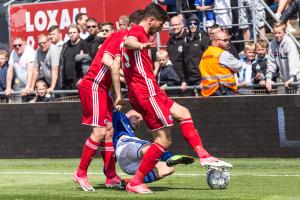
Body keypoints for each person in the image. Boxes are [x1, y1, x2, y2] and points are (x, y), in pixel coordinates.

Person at [122, 3, 232, 194]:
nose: (160, 29)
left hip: (149, 90)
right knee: (163, 140)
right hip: (146, 92)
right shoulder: (139, 32)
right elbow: (129, 41)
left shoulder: (138, 32)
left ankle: (203, 155)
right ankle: (136, 182)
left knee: (183, 113)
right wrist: (140, 44)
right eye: (160, 24)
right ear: (150, 20)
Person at [73, 9, 144, 192]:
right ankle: (80, 173)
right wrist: (119, 94)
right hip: (93, 86)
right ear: (133, 27)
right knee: (99, 131)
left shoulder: (125, 41)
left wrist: (122, 81)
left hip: (102, 89)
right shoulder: (120, 36)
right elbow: (108, 62)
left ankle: (111, 176)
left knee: (109, 131)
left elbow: (114, 69)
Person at [113, 110, 195, 184]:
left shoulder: (130, 132)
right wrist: (118, 98)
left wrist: (110, 173)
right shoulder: (119, 116)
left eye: (140, 121)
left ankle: (132, 182)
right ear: (127, 114)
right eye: (137, 117)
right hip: (125, 144)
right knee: (153, 146)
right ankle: (169, 157)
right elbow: (111, 106)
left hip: (128, 165)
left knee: (168, 168)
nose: (138, 122)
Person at [200, 31, 243, 96]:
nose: (228, 42)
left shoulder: (205, 54)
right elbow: (239, 67)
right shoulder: (222, 54)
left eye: (228, 40)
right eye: (225, 40)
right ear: (216, 41)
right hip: (224, 91)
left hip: (208, 93)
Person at [266, 21, 300, 93]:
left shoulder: (289, 43)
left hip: (297, 79)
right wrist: (268, 78)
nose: (277, 35)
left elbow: (293, 61)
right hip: (284, 79)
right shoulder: (272, 44)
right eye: (275, 33)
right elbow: (271, 62)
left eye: (279, 33)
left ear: (284, 32)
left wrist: (292, 78)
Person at [5, 37, 36, 102]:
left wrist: (28, 87)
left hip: (33, 83)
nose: (17, 47)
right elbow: (10, 71)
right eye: (15, 46)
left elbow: (30, 71)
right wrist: (8, 88)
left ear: (24, 43)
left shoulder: (29, 52)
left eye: (19, 45)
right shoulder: (13, 52)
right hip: (22, 83)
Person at [182, 14, 210, 86]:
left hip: (200, 77)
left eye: (195, 23)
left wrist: (204, 78)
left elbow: (207, 59)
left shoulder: (203, 37)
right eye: (190, 24)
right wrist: (183, 79)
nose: (192, 25)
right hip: (189, 77)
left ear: (198, 25)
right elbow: (183, 60)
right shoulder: (185, 39)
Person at [60, 24, 89, 90]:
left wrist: (82, 78)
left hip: (78, 80)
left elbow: (87, 64)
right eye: (70, 33)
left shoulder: (83, 44)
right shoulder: (65, 45)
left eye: (74, 32)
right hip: (66, 81)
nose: (72, 34)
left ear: (79, 33)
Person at [167, 15, 188, 91]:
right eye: (172, 25)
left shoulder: (188, 39)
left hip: (185, 82)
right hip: (173, 80)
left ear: (182, 25)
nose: (174, 27)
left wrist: (184, 80)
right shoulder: (170, 41)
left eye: (177, 25)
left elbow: (189, 63)